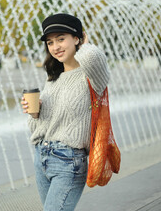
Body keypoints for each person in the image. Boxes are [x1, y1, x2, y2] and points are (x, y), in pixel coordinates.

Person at [21, 13, 110, 210]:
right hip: (41, 157)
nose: (55, 47)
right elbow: (40, 127)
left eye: (61, 39)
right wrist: (35, 115)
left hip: (68, 162)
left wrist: (85, 44)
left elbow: (95, 57)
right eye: (50, 42)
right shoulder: (53, 78)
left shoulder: (92, 75)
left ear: (77, 38)